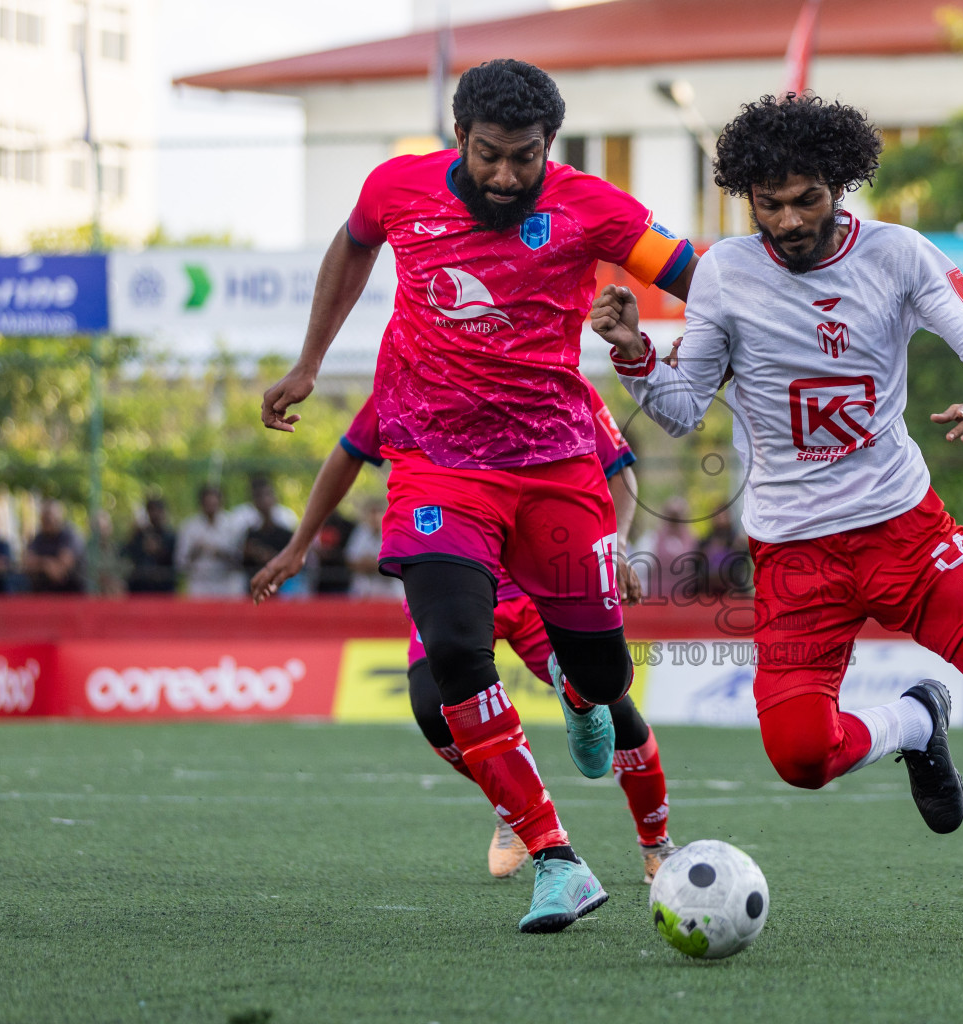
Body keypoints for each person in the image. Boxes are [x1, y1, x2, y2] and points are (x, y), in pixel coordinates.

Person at [594, 93, 963, 944]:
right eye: (769, 203)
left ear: (841, 185)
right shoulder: (725, 271)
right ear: (745, 198)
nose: (788, 220)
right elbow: (683, 410)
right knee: (798, 757)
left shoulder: (899, 255)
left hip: (905, 531)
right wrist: (636, 352)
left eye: (806, 199)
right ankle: (913, 721)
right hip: (793, 554)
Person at [256, 59, 697, 932]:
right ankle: (554, 858)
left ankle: (579, 696)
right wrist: (310, 361)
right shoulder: (396, 188)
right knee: (454, 659)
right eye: (490, 155)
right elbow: (351, 247)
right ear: (460, 138)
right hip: (438, 470)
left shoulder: (592, 206)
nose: (505, 175)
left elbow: (689, 270)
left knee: (604, 676)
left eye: (523, 159)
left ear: (549, 148)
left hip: (558, 468)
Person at [251, 381, 677, 883]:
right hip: (454, 572)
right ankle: (516, 807)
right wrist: (301, 543)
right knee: (432, 708)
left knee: (611, 701)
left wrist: (618, 544)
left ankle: (657, 843)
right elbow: (348, 454)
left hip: (535, 583)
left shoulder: (550, 373)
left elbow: (617, 467)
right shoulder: (418, 370)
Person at [175, 484, 245, 598]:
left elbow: (240, 559)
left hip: (228, 585)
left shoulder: (233, 525)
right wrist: (196, 552)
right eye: (207, 503)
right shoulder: (189, 527)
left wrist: (218, 552)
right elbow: (180, 563)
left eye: (214, 503)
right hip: (199, 585)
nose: (211, 506)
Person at [242, 480, 297, 594]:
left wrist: (268, 555)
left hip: (282, 586)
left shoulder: (286, 529)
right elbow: (243, 558)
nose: (264, 501)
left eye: (267, 495)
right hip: (256, 584)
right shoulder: (251, 533)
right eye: (259, 497)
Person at [344, 498, 402, 599]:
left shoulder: (395, 532)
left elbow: (396, 565)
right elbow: (351, 560)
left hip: (390, 593)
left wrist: (373, 564)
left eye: (378, 512)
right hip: (363, 592)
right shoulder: (361, 531)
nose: (374, 516)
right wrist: (377, 564)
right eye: (372, 512)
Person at [24, 499, 84, 594]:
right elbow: (27, 563)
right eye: (44, 517)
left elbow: (61, 569)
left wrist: (39, 563)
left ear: (59, 517)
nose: (46, 521)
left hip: (71, 590)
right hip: (42, 590)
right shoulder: (38, 538)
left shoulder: (69, 535)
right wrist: (46, 564)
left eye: (49, 517)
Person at [123, 498, 179, 593]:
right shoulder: (139, 535)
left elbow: (175, 560)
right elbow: (127, 554)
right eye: (151, 510)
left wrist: (159, 550)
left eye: (158, 510)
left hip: (164, 588)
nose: (155, 514)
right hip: (140, 587)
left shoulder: (170, 536)